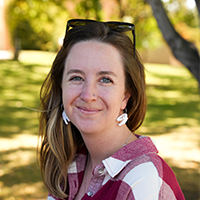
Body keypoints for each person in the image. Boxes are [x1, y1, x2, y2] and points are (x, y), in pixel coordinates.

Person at [38, 19, 185, 200]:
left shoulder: (144, 181)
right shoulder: (73, 163)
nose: (88, 95)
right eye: (76, 77)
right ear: (61, 87)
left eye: (105, 79)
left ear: (126, 96)